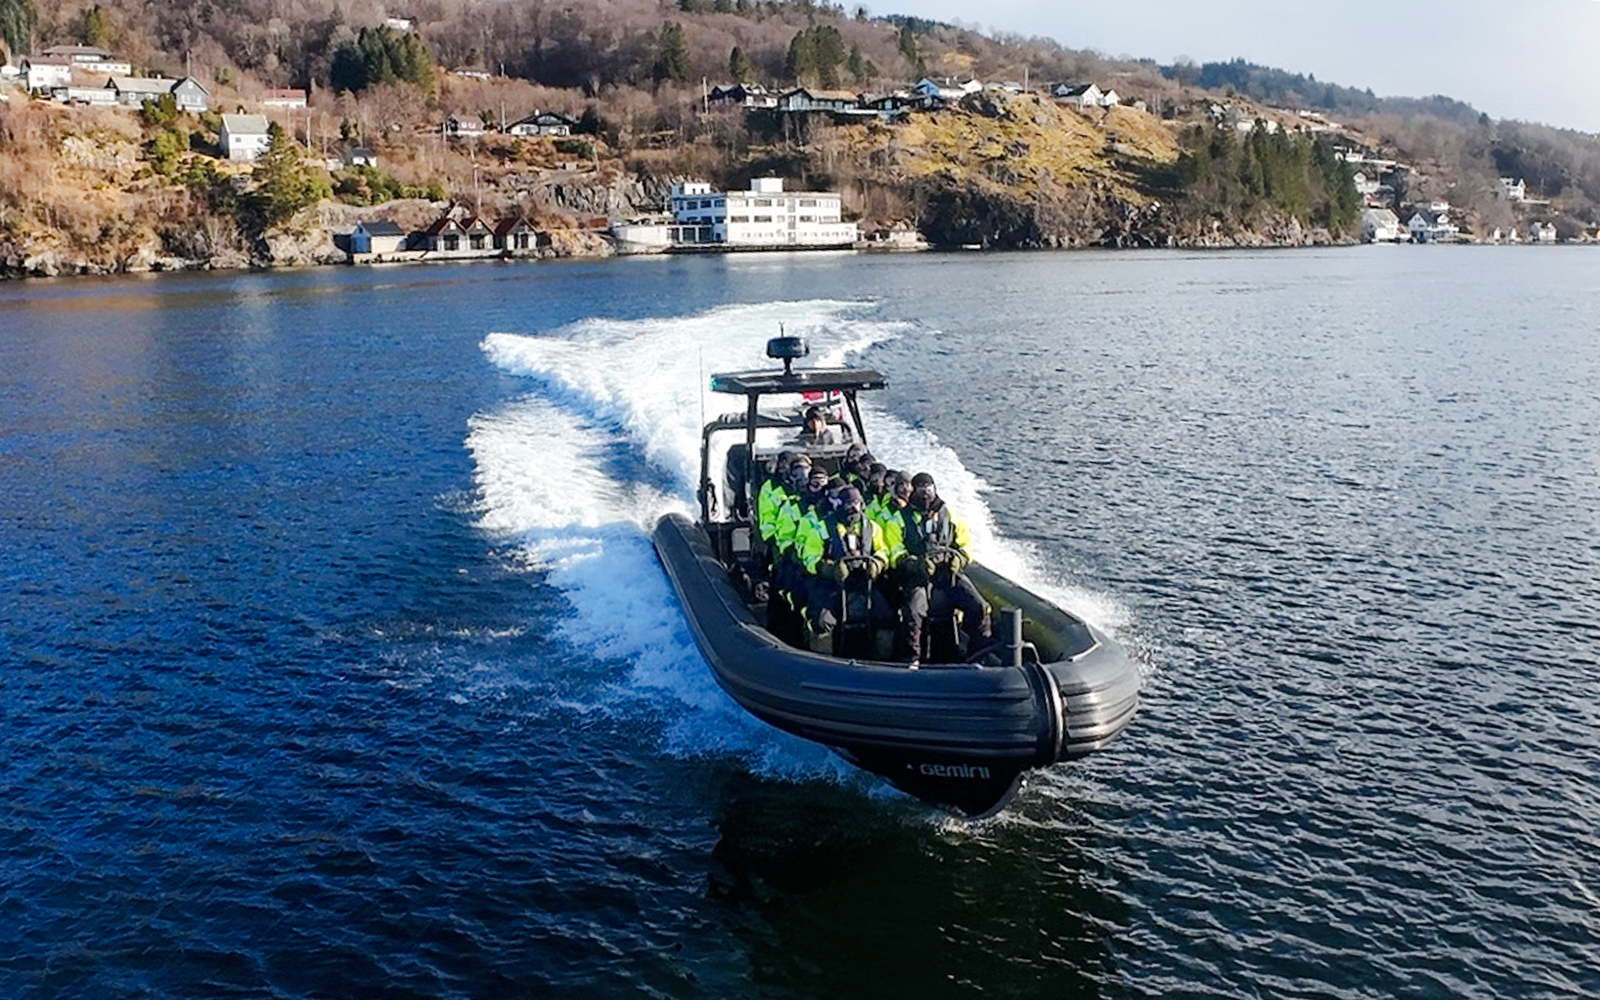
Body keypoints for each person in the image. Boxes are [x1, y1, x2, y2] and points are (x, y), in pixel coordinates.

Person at [897, 472, 991, 666]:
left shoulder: (948, 514)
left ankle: (977, 656)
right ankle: (912, 659)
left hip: (948, 574)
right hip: (918, 577)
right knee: (914, 610)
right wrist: (915, 564)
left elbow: (965, 543)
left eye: (929, 490)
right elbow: (895, 551)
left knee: (979, 607)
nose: (925, 495)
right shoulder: (901, 518)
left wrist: (959, 559)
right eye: (921, 490)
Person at [796, 485, 893, 655]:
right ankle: (823, 664)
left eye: (857, 503)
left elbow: (883, 551)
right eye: (849, 504)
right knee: (822, 622)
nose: (854, 508)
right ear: (839, 505)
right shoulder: (822, 528)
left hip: (865, 585)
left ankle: (885, 663)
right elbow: (809, 558)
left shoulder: (872, 527)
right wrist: (830, 569)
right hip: (831, 587)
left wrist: (877, 564)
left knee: (886, 617)